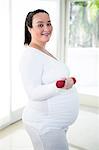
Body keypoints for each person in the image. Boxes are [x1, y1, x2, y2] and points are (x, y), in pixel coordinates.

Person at [20, 9, 79, 150]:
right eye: (40, 25)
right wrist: (59, 86)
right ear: (29, 28)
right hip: (45, 124)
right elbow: (33, 93)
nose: (47, 28)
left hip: (56, 124)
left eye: (49, 23)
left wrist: (65, 83)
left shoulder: (43, 51)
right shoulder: (30, 56)